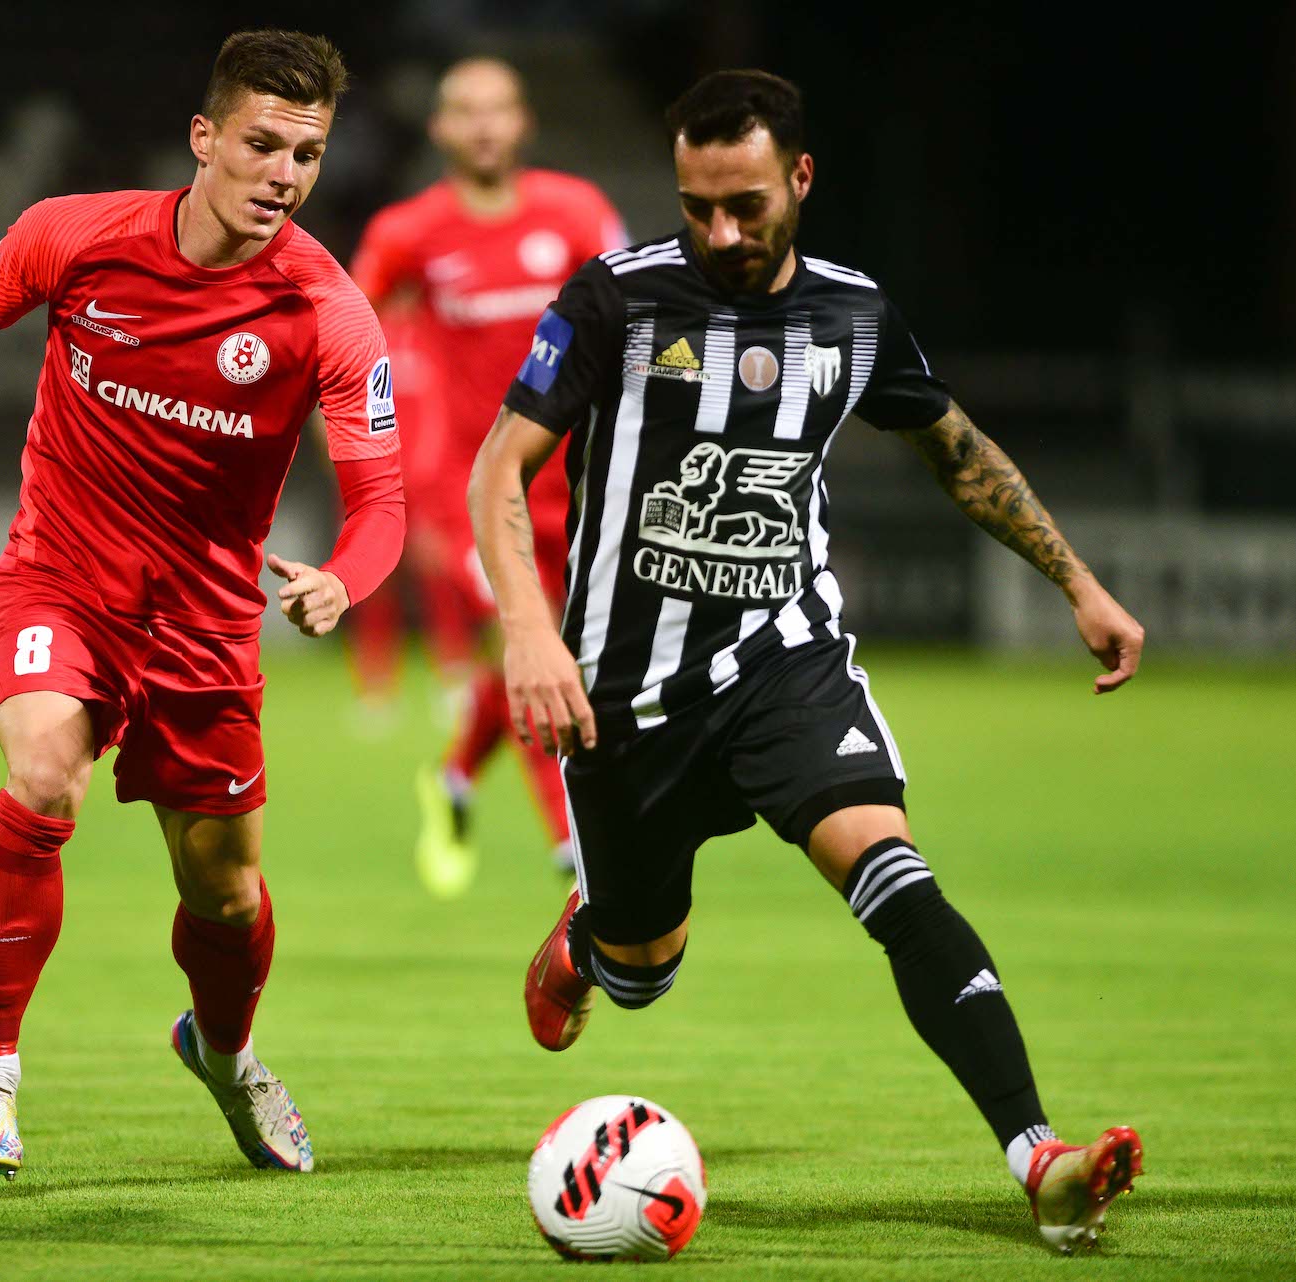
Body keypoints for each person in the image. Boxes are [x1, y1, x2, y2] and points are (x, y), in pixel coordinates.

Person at [469, 70, 1145, 1251]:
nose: (722, 232)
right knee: (640, 967)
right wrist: (530, 631)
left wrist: (1078, 581)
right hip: (626, 696)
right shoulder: (615, 300)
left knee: (895, 877)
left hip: (786, 664)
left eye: (746, 205)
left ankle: (1039, 1158)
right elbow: (496, 471)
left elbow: (956, 450)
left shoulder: (854, 315)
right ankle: (588, 940)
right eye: (697, 208)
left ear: (801, 179)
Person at [0, 30, 404, 1181]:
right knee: (41, 777)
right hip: (62, 582)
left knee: (226, 897)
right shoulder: (76, 235)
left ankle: (226, 1054)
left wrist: (343, 578)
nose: (282, 175)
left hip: (206, 631)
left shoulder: (329, 311)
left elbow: (381, 502)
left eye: (306, 155)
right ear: (204, 138)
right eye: (262, 144)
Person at [349, 58, 624, 897]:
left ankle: (456, 776)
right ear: (439, 128)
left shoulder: (576, 213)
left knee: (553, 656)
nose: (482, 125)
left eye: (497, 109)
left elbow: (639, 310)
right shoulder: (408, 232)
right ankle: (574, 848)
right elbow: (343, 334)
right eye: (464, 111)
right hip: (475, 492)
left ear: (523, 120)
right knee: (533, 650)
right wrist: (367, 460)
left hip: (579, 487)